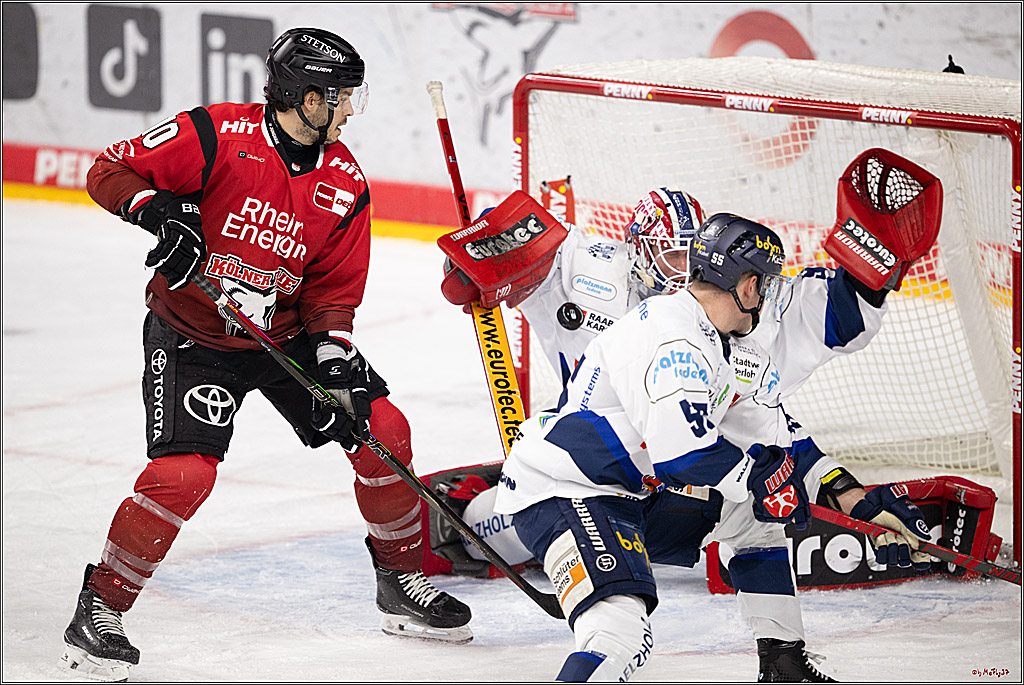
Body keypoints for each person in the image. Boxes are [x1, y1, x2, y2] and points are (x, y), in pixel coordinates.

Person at [60, 27, 472, 681]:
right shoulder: (215, 134)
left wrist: (332, 360)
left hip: (284, 336)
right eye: (340, 97)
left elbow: (333, 292)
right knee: (184, 476)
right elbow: (109, 170)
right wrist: (162, 213)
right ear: (307, 99)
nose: (349, 110)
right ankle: (100, 608)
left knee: (384, 431)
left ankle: (400, 581)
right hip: (195, 332)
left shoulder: (344, 181)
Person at [488, 213, 932, 682]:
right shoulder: (671, 336)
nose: (769, 295)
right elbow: (683, 456)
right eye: (767, 283)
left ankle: (783, 665)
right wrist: (759, 479)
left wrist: (857, 502)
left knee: (757, 521)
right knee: (619, 638)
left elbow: (778, 446)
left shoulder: (730, 346)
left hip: (633, 494)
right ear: (747, 286)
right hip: (567, 491)